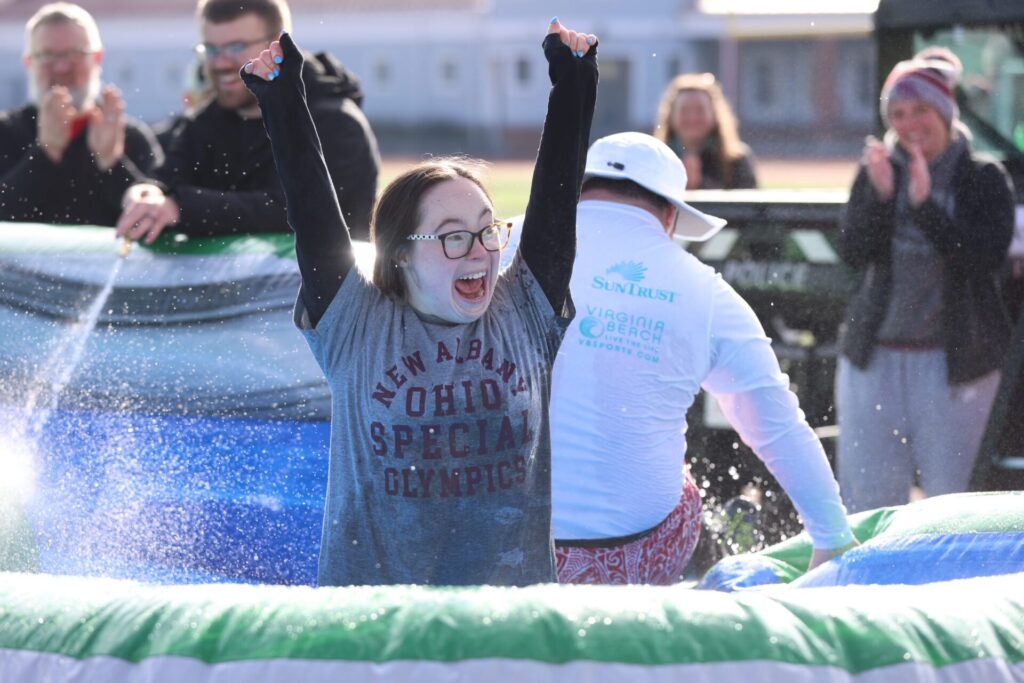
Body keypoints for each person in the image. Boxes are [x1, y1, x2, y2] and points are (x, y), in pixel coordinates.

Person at [239, 18, 598, 586]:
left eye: (487, 230)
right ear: (401, 252)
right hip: (373, 627)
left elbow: (556, 201)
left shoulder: (522, 313)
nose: (479, 251)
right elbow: (310, 210)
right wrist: (284, 100)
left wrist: (575, 82)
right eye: (453, 236)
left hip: (506, 624)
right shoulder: (356, 324)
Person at [549, 132, 856, 585]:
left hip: (509, 537)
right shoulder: (707, 292)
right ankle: (713, 560)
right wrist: (832, 539)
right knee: (680, 475)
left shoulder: (503, 245)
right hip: (638, 551)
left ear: (580, 188)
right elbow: (777, 427)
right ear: (670, 216)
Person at [835, 56, 1016, 513]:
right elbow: (852, 253)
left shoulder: (983, 177)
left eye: (921, 112)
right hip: (874, 358)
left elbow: (983, 258)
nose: (909, 124)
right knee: (867, 504)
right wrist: (879, 197)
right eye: (898, 114)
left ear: (946, 114)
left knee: (951, 504)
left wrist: (923, 208)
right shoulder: (879, 169)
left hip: (955, 366)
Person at [116, 0, 379, 243]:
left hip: (333, 293)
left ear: (278, 45)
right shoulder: (208, 121)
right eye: (210, 48)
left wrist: (180, 208)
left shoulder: (336, 123)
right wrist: (149, 192)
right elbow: (169, 177)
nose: (220, 62)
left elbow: (297, 209)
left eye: (236, 47)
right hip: (241, 292)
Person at [0, 2, 162, 226]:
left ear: (97, 59)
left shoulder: (131, 137)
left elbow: (156, 219)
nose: (62, 67)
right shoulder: (5, 133)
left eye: (75, 54)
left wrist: (112, 162)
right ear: (29, 62)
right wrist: (45, 154)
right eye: (47, 55)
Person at [653, 72, 757, 190]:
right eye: (684, 110)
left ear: (715, 115)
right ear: (671, 116)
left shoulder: (737, 160)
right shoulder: (655, 160)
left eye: (700, 110)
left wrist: (699, 186)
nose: (692, 118)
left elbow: (750, 207)